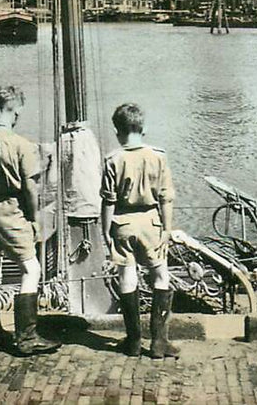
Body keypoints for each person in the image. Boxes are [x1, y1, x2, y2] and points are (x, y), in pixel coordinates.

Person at [0, 85, 59, 356]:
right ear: (15, 112)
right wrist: (33, 218)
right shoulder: (21, 145)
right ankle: (26, 337)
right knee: (32, 270)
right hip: (11, 212)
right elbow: (30, 188)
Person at [100, 103, 179, 359]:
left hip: (122, 224)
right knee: (160, 276)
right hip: (151, 222)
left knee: (127, 276)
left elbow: (108, 201)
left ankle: (133, 342)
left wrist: (106, 233)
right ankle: (159, 342)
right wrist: (167, 229)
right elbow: (166, 197)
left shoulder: (112, 159)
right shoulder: (158, 156)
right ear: (142, 128)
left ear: (116, 130)